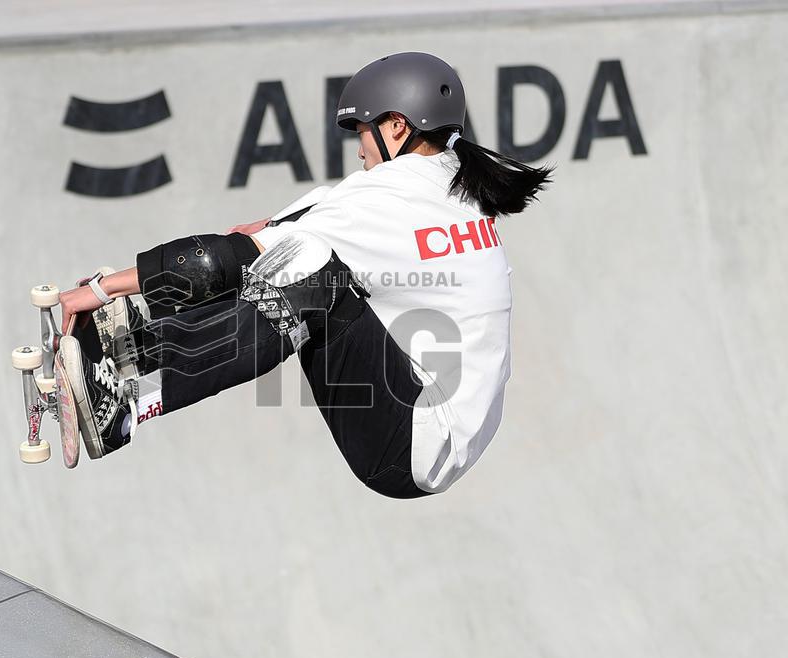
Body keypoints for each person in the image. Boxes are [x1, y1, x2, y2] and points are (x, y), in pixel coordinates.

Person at [56, 52, 552, 498]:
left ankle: (128, 399)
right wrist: (270, 232)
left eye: (362, 130)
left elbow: (229, 258)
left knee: (309, 276)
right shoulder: (454, 185)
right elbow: (292, 227)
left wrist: (102, 289)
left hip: (410, 442)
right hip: (441, 425)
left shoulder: (385, 199)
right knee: (291, 259)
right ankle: (136, 346)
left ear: (397, 126)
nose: (359, 150)